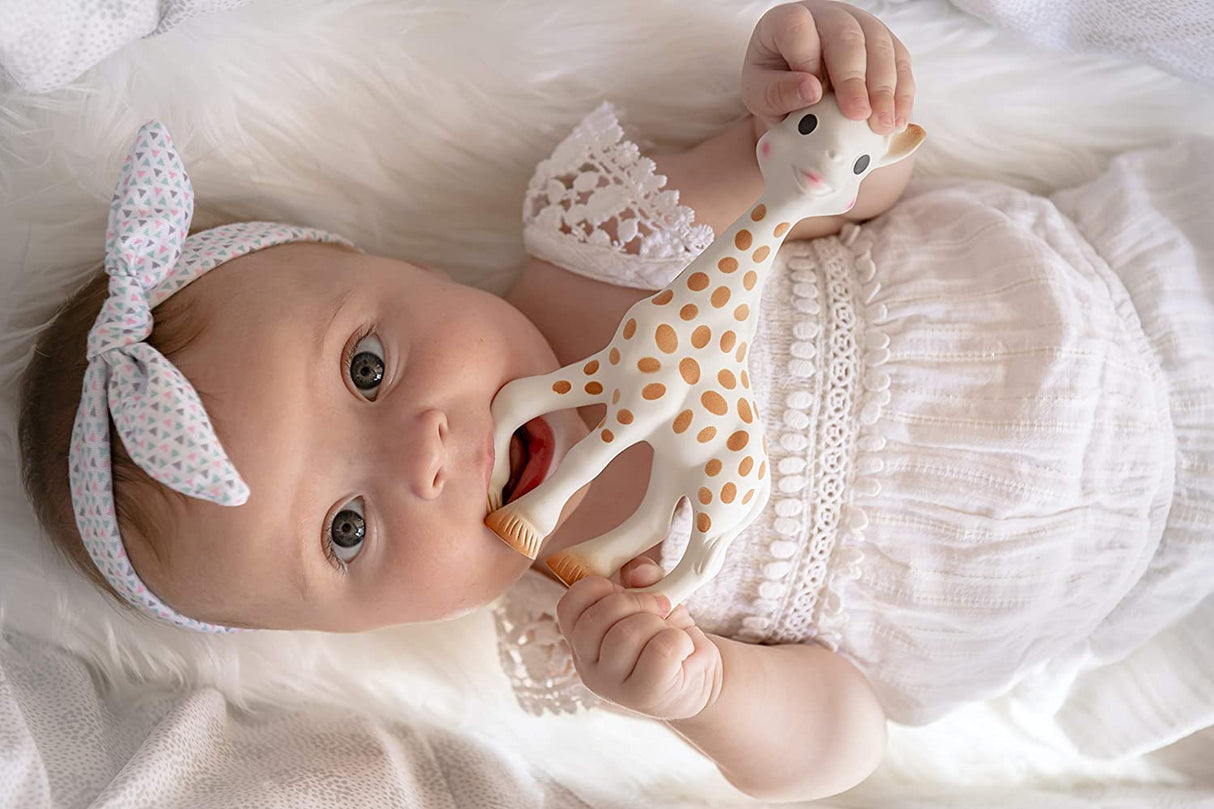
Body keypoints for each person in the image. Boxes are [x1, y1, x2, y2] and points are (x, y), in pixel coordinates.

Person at [18, 1, 1213, 802]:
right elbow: (848, 736)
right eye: (347, 527)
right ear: (360, 632)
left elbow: (843, 184)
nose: (424, 454)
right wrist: (709, 695)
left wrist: (822, 97)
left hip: (1132, 297)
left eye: (366, 369)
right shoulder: (590, 630)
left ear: (389, 263)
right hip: (1137, 578)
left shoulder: (602, 239)